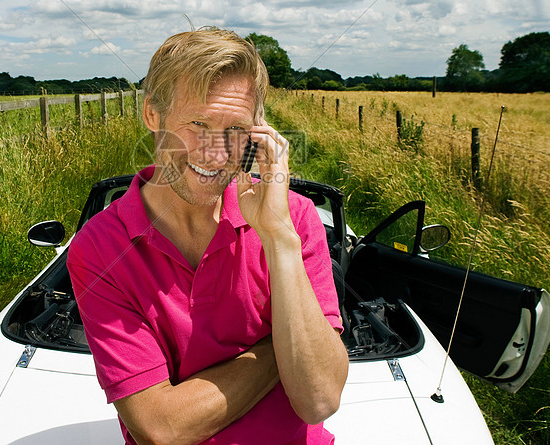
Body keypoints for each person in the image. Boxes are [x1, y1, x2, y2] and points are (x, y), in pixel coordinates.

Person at [68, 28, 348, 445]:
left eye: (237, 129)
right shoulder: (100, 246)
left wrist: (279, 239)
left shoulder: (295, 218)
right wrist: (280, 350)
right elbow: (161, 428)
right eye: (198, 123)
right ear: (152, 115)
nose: (217, 154)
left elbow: (320, 398)